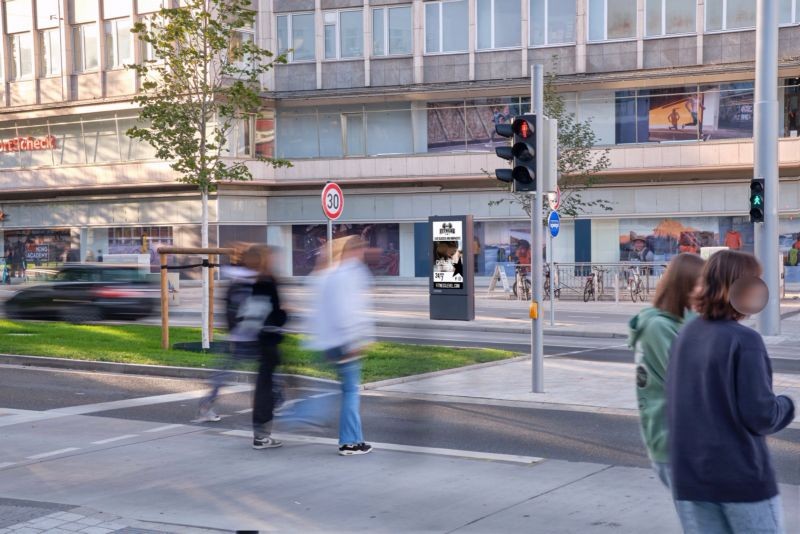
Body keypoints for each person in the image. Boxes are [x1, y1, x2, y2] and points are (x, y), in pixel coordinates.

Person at [667, 250, 795, 533]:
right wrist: (788, 405)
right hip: (740, 479)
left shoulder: (686, 335)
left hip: (690, 478)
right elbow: (761, 415)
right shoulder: (745, 340)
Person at [628, 253, 705, 489]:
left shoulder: (676, 322)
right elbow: (688, 379)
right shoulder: (658, 327)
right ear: (687, 286)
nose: (709, 291)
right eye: (704, 284)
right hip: (673, 441)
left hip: (685, 440)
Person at [306, 236, 374, 456]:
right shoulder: (349, 274)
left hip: (331, 341)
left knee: (345, 391)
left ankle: (355, 439)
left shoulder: (333, 273)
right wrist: (354, 340)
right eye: (362, 250)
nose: (363, 254)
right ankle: (349, 442)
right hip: (345, 341)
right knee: (350, 392)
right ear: (355, 251)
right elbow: (349, 310)